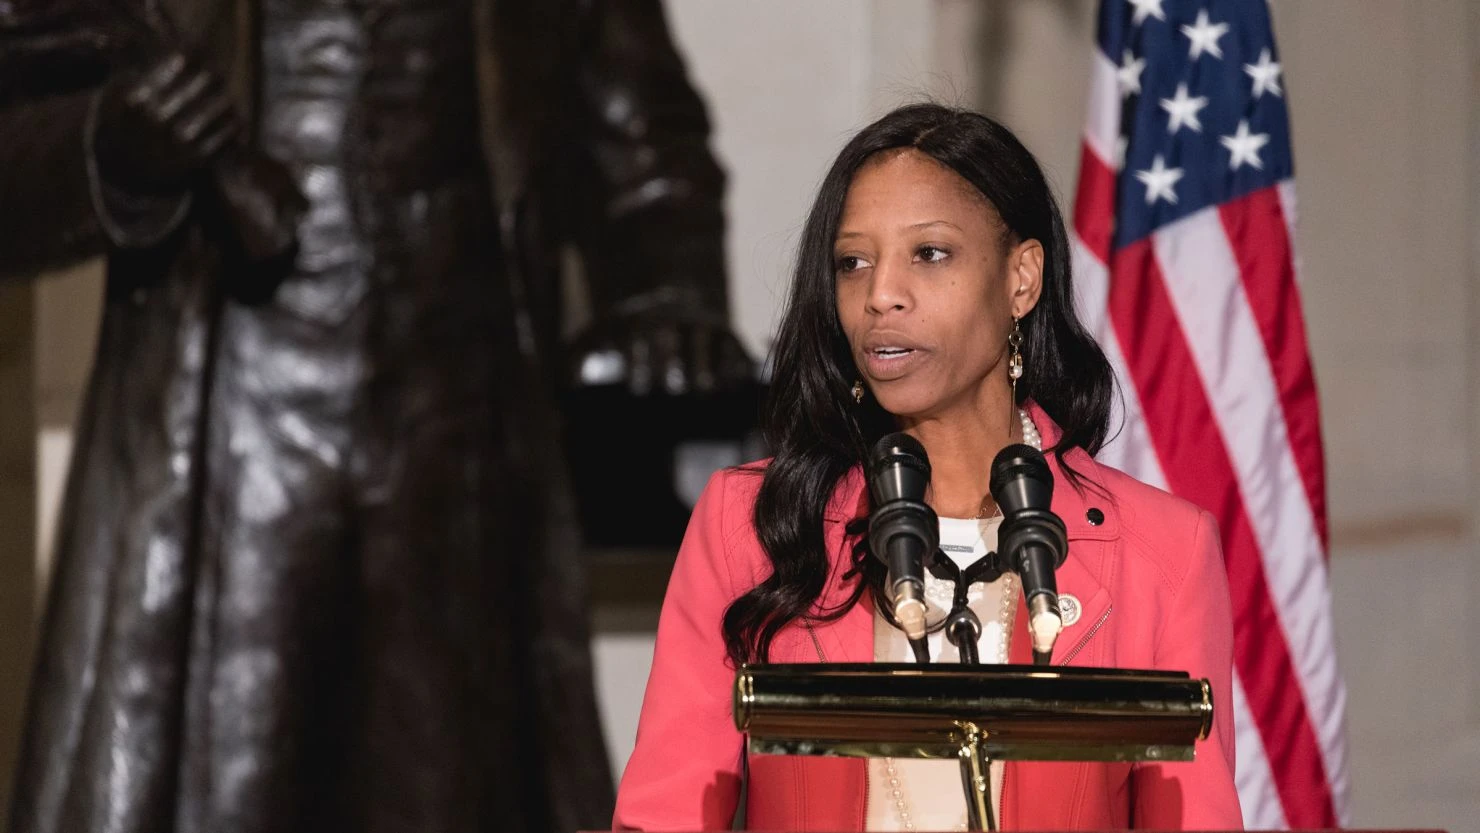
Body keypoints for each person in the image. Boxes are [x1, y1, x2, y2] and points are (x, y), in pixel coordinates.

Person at [0, 1, 751, 831]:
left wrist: (667, 291)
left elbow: (642, 128)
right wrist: (112, 148)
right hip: (224, 433)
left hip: (460, 427)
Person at [613, 103, 1242, 832]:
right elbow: (664, 815)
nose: (881, 294)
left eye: (929, 254)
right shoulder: (750, 525)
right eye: (854, 262)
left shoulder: (1163, 551)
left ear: (1021, 279)